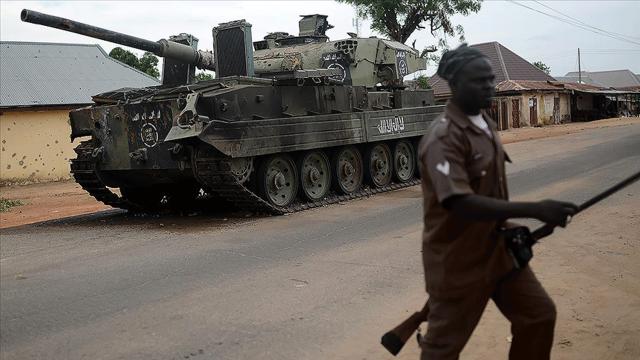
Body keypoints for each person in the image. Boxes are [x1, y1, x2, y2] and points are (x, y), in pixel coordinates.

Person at [417, 44, 578, 360]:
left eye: (490, 79)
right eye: (480, 81)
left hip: (499, 251)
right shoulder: (443, 137)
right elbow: (460, 202)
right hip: (459, 263)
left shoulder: (485, 123)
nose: (489, 87)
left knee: (539, 316)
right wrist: (534, 209)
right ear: (455, 84)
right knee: (442, 351)